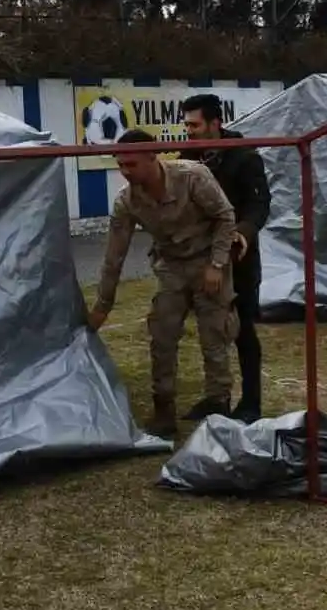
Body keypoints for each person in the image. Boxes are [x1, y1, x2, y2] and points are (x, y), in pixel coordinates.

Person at [87, 129, 239, 439]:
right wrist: (103, 306)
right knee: (162, 337)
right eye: (121, 165)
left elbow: (225, 216)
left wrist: (217, 264)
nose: (125, 172)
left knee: (215, 336)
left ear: (152, 156)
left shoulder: (192, 176)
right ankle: (164, 411)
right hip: (170, 266)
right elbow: (114, 256)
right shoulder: (127, 201)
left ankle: (219, 408)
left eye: (131, 164)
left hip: (207, 261)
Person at [180, 93, 272, 423]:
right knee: (209, 329)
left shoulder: (244, 157)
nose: (188, 131)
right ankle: (216, 399)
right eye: (186, 125)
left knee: (241, 328)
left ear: (215, 123)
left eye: (195, 124)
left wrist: (242, 233)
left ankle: (251, 403)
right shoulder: (187, 157)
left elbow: (259, 204)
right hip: (200, 257)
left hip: (239, 255)